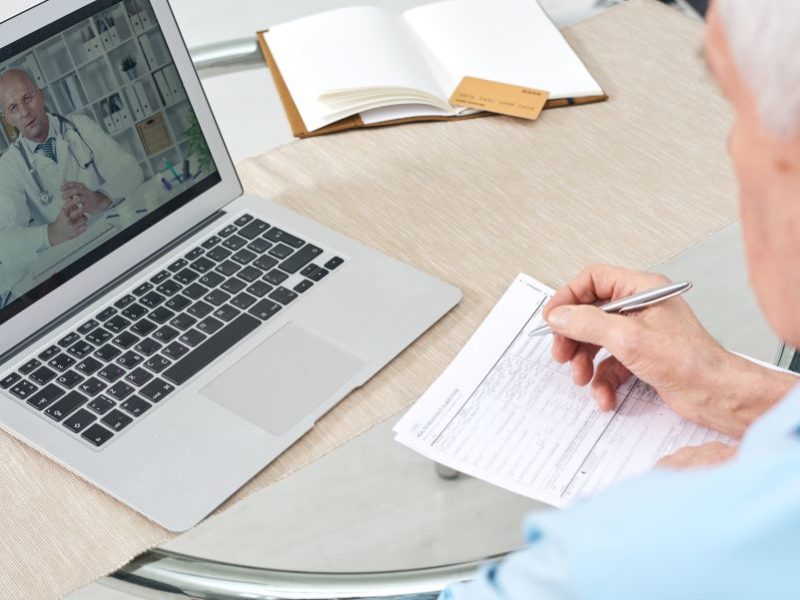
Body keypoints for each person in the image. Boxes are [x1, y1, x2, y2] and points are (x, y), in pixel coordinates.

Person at [443, 0, 800, 598]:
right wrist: (736, 391)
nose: (730, 148)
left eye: (734, 106)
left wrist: (667, 521)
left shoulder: (644, 554)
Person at [0, 69, 143, 274]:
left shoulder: (80, 126)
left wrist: (101, 198)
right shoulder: (9, 166)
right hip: (71, 263)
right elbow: (4, 243)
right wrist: (51, 234)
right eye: (13, 108)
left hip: (116, 238)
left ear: (41, 96)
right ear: (8, 119)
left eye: (27, 99)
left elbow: (132, 169)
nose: (24, 112)